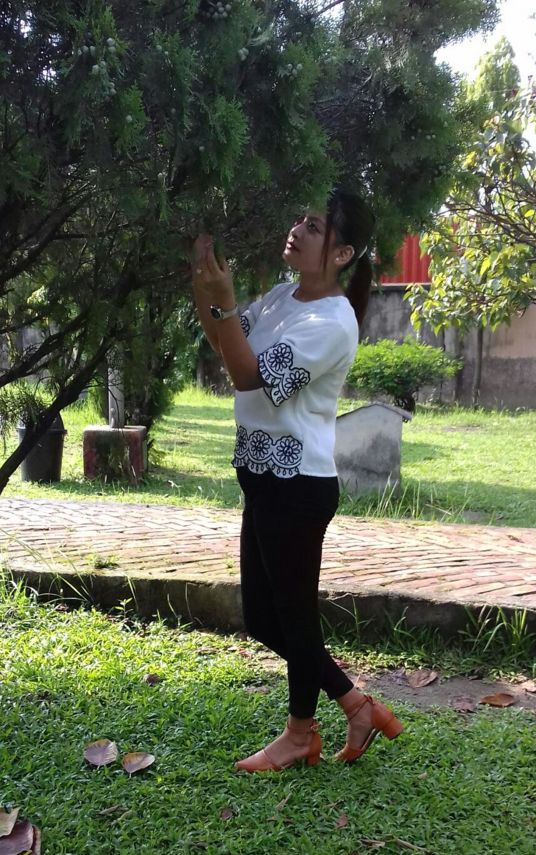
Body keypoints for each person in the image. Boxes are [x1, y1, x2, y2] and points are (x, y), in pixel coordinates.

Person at [191, 188, 403, 773]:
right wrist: (206, 289)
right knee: (268, 619)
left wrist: (224, 301)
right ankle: (348, 711)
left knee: (292, 619)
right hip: (261, 474)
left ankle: (306, 731)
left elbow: (247, 376)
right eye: (300, 219)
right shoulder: (285, 296)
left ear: (342, 253)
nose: (297, 229)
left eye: (313, 225)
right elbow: (225, 341)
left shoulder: (332, 322)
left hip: (297, 485)